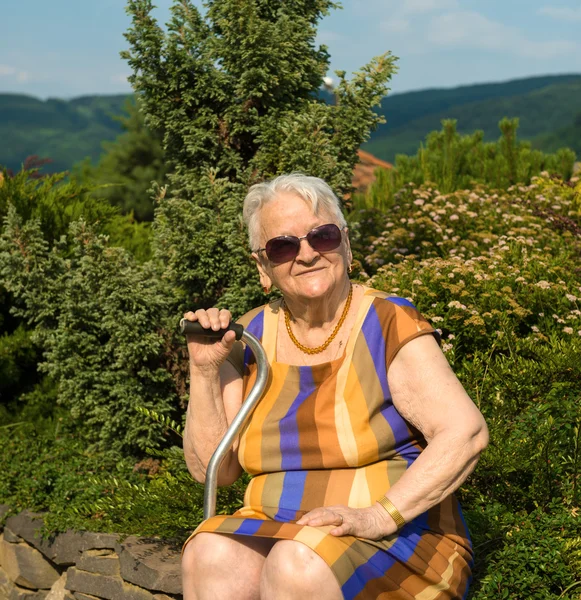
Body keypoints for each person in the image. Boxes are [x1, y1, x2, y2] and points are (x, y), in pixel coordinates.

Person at [180, 173, 489, 600]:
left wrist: (379, 516)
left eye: (320, 236)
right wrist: (203, 370)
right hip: (276, 527)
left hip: (390, 537)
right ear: (263, 267)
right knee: (209, 552)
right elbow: (211, 468)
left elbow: (465, 432)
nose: (306, 254)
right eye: (283, 246)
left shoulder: (386, 323)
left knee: (297, 562)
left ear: (344, 243)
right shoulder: (247, 338)